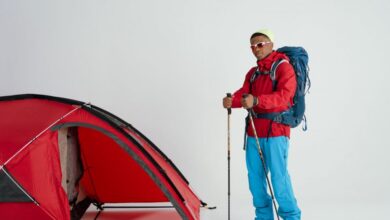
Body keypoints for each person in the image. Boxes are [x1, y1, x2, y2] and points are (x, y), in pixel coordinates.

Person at [222, 29, 301, 220]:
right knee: (256, 182)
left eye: (260, 44)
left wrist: (257, 101)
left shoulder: (283, 67)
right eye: (252, 46)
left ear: (271, 44)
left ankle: (291, 217)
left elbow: (285, 97)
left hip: (276, 132)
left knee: (279, 181)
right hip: (254, 133)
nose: (256, 49)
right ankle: (263, 218)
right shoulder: (253, 73)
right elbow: (244, 93)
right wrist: (232, 100)